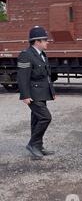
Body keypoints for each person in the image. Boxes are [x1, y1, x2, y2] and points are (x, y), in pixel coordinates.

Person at [17, 26, 56, 160]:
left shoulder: (42, 55)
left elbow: (47, 75)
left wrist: (52, 91)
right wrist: (25, 95)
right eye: (45, 40)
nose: (47, 42)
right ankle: (33, 144)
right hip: (33, 94)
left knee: (36, 119)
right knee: (46, 117)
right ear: (37, 42)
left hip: (42, 93)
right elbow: (22, 77)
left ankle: (38, 146)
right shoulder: (26, 55)